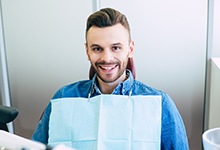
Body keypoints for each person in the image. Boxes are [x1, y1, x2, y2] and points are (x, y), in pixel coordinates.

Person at [32, 7, 189, 149]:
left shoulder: (160, 103)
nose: (107, 58)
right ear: (87, 51)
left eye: (116, 48)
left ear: (130, 49)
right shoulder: (63, 98)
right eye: (97, 49)